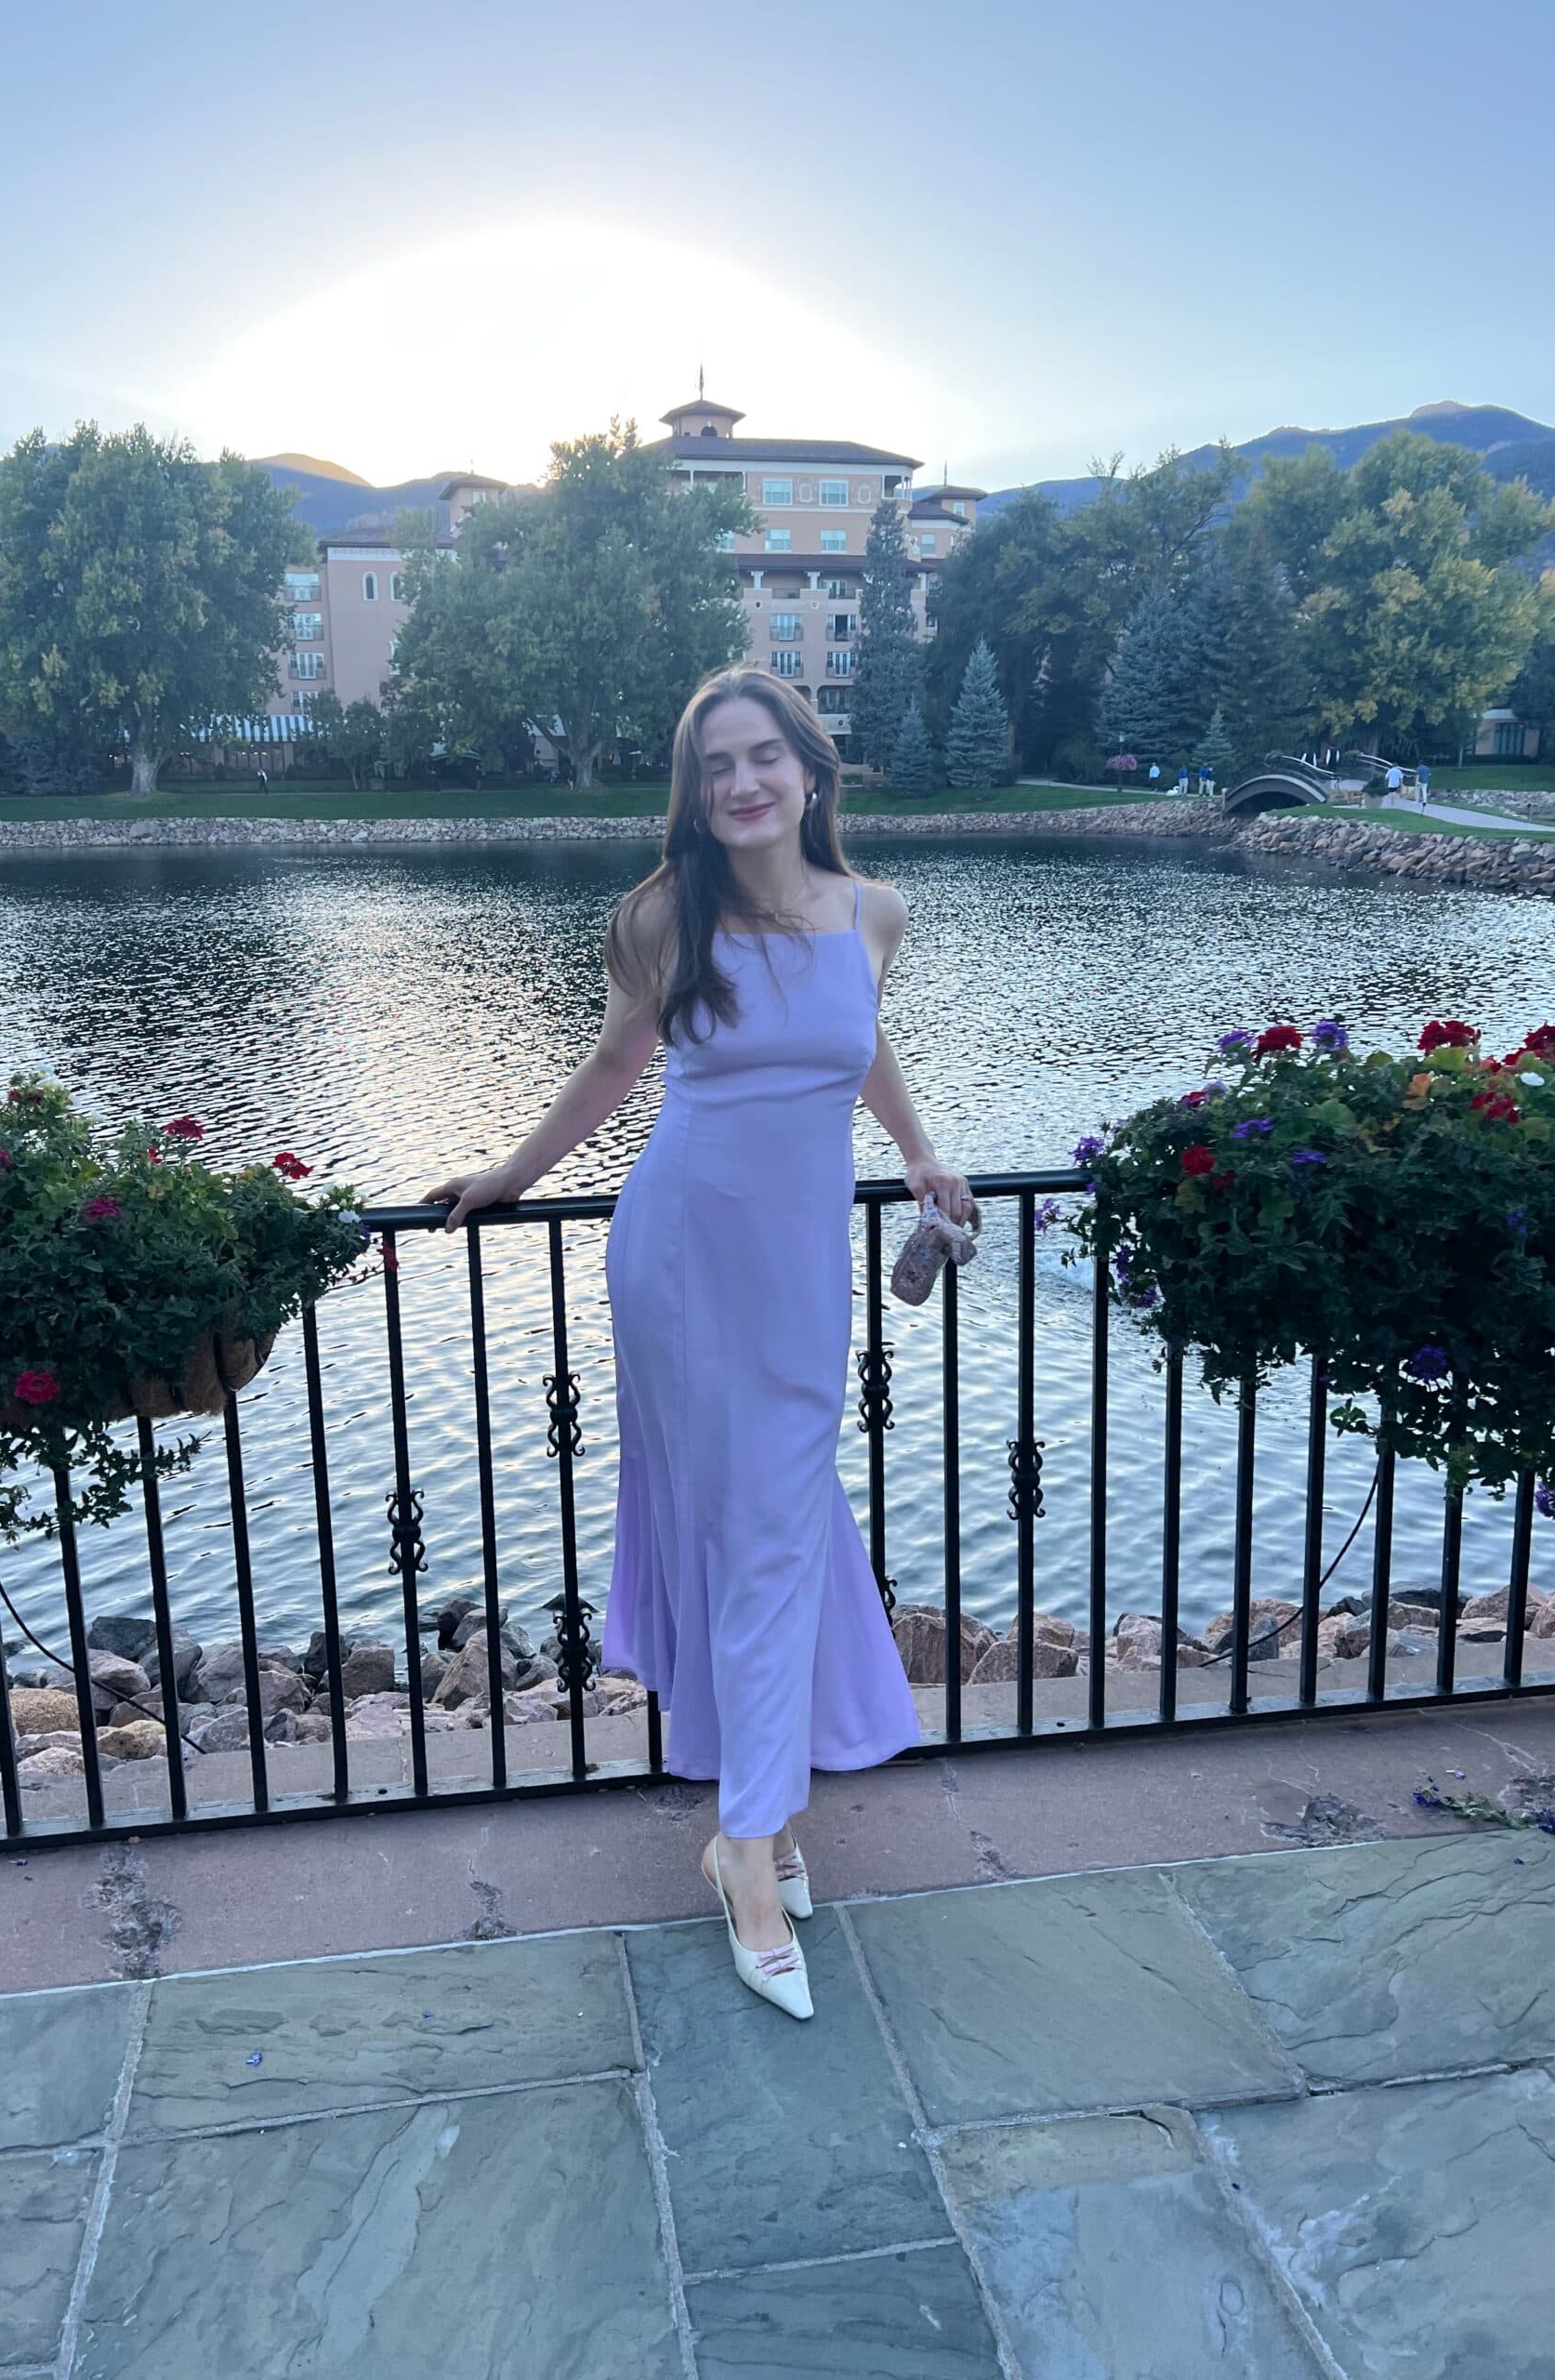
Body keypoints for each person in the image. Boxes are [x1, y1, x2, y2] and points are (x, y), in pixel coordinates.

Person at [424, 668, 973, 2021]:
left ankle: (754, 1819)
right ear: (694, 788)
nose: (742, 784)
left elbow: (860, 1045)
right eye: (716, 764)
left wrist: (918, 1149)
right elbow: (617, 1068)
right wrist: (508, 1175)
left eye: (763, 757)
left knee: (778, 1530)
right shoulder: (665, 916)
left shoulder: (873, 912)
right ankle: (748, 1848)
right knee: (754, 1538)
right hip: (683, 1259)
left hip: (799, 1270)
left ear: (811, 769)